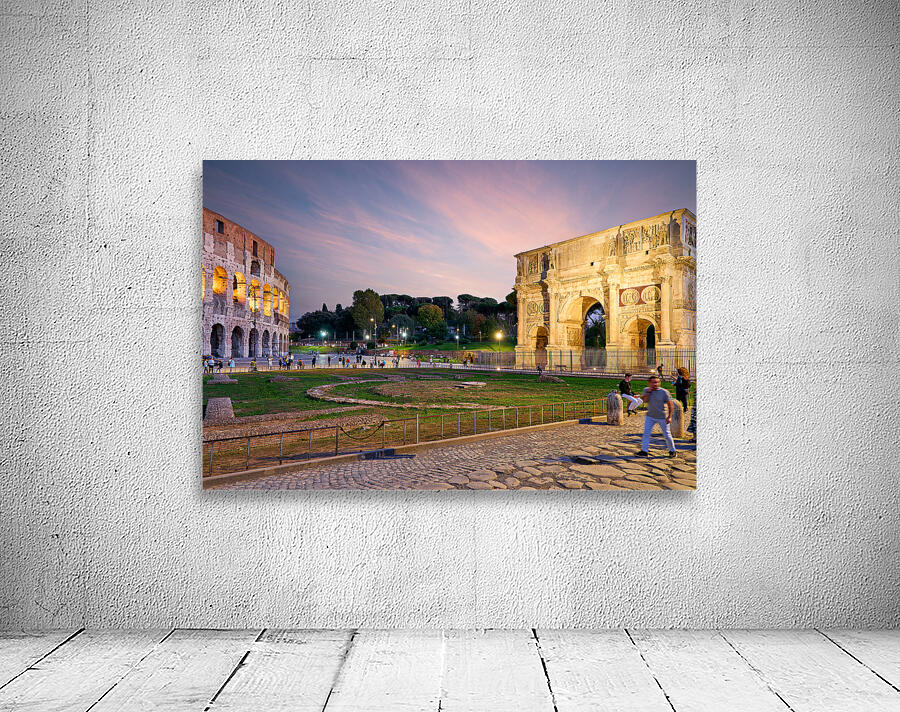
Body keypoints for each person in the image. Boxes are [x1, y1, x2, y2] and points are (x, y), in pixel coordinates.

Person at [636, 375, 676, 458]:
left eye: (657, 382)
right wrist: (648, 392)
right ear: (649, 383)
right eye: (654, 382)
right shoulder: (646, 390)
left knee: (667, 435)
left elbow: (670, 405)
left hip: (662, 416)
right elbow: (645, 401)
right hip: (650, 416)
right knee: (646, 434)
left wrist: (670, 416)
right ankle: (644, 451)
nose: (656, 384)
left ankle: (672, 450)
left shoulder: (664, 392)